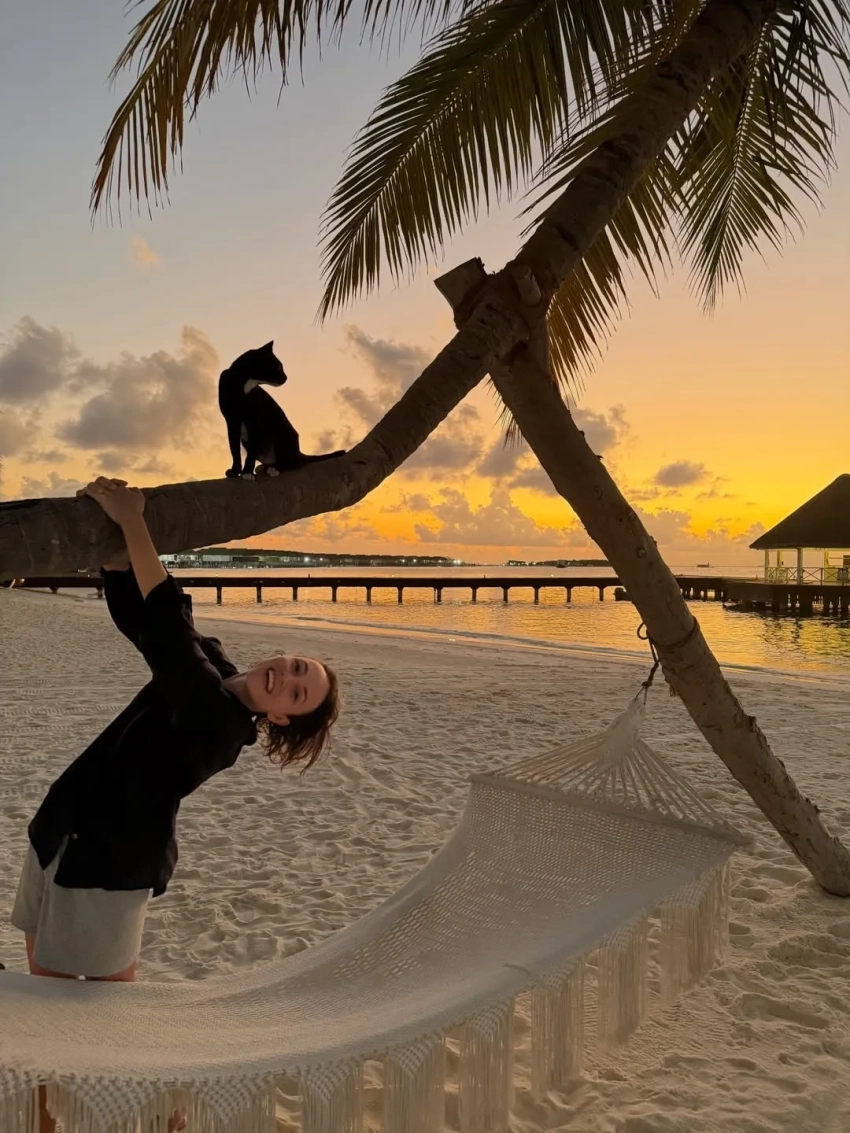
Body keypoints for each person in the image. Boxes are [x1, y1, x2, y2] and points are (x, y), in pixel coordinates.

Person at [10, 476, 341, 1133]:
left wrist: (134, 520)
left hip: (108, 867)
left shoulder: (221, 725)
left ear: (280, 717)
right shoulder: (215, 666)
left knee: (113, 1016)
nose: (287, 676)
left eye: (297, 692)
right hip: (57, 831)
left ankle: (168, 1118)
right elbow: (152, 623)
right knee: (44, 1001)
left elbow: (168, 633)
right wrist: (114, 552)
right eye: (298, 666)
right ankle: (45, 1118)